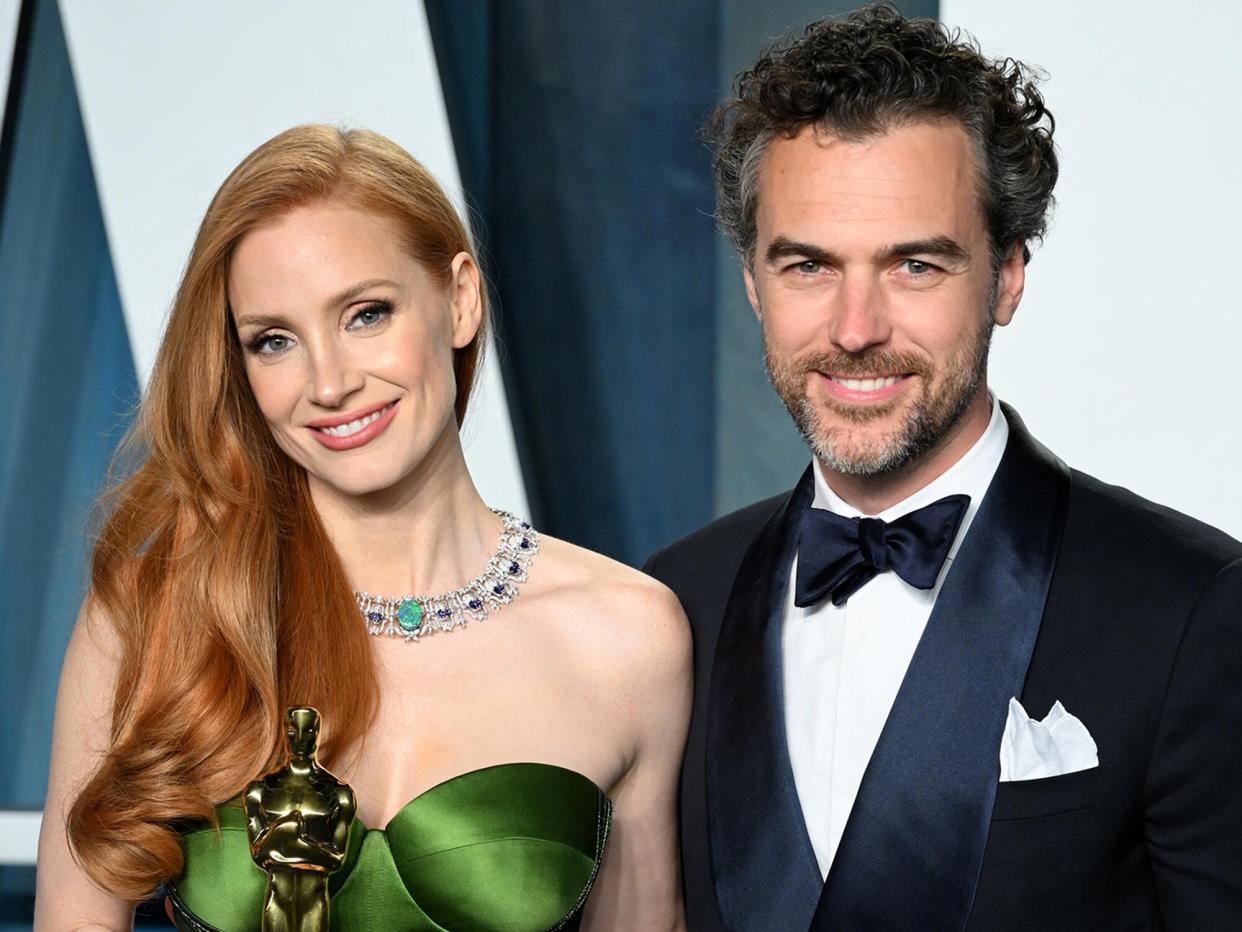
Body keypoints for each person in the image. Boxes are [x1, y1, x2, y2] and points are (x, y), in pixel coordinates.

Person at [643, 6, 1242, 930]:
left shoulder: (1192, 606)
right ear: (755, 283)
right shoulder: (673, 601)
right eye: (808, 266)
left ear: (1007, 275)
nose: (854, 329)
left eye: (914, 266)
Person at [35, 125, 690, 931]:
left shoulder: (629, 638)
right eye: (274, 341)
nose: (331, 383)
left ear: (460, 299)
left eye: (365, 314)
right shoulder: (155, 617)